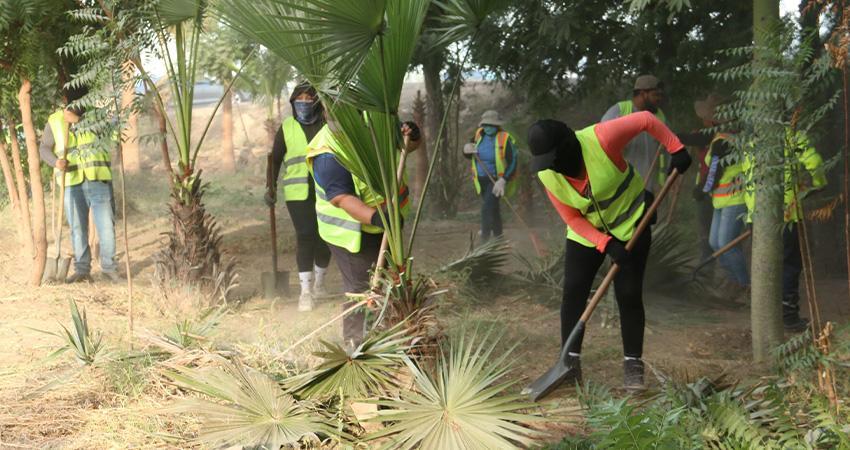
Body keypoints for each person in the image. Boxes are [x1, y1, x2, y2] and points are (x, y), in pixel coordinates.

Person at [527, 111, 691, 390]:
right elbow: (572, 218)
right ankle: (569, 364)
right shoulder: (548, 174)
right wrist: (605, 243)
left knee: (628, 293)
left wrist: (676, 148)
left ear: (567, 146)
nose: (552, 167)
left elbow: (645, 120)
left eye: (553, 159)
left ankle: (632, 365)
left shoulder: (602, 138)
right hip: (587, 233)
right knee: (574, 292)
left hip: (631, 225)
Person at [306, 115, 421, 345]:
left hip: (387, 223)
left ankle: (393, 337)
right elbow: (341, 198)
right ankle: (356, 346)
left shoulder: (376, 118)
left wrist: (414, 136)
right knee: (361, 286)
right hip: (348, 231)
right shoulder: (328, 152)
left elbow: (407, 146)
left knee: (390, 280)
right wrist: (378, 217)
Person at [743, 129, 826, 331]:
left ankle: (766, 316)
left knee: (766, 264)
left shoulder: (751, 139)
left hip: (756, 214)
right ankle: (788, 316)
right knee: (789, 263)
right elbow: (813, 162)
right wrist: (819, 183)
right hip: (786, 212)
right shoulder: (792, 134)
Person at [39, 86, 119, 283]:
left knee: (106, 226)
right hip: (71, 183)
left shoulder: (98, 116)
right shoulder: (55, 120)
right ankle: (82, 270)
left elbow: (115, 136)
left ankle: (109, 268)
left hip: (98, 179)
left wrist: (81, 122)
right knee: (77, 227)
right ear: (66, 99)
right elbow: (44, 148)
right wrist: (56, 162)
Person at [265, 81, 332, 311]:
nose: (304, 103)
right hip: (297, 193)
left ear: (316, 101)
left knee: (325, 237)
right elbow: (274, 160)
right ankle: (305, 292)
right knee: (306, 235)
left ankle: (320, 284)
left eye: (308, 98)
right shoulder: (287, 127)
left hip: (327, 190)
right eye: (299, 99)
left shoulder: (327, 125)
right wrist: (270, 187)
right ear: (293, 102)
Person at [601, 75, 669, 192]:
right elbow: (601, 142)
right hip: (621, 187)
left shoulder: (660, 117)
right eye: (655, 95)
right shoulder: (619, 111)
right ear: (643, 94)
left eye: (660, 95)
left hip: (649, 187)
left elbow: (666, 151)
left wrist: (665, 180)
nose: (659, 99)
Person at [462, 110, 518, 242]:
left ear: (497, 126)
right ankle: (499, 238)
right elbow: (470, 153)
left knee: (486, 208)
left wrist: (503, 180)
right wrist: (466, 150)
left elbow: (513, 161)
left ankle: (484, 240)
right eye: (485, 125)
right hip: (481, 180)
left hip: (496, 181)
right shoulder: (478, 135)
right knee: (493, 209)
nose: (488, 128)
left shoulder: (505, 139)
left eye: (491, 125)